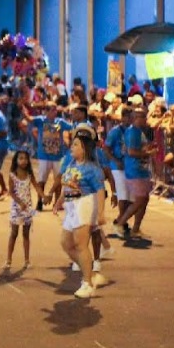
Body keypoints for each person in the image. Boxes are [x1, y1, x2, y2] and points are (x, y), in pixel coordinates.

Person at [54, 125, 107, 298]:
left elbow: (100, 191)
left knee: (81, 244)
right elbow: (66, 184)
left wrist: (100, 214)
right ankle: (89, 273)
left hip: (84, 204)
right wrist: (59, 201)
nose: (72, 147)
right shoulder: (71, 163)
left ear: (85, 148)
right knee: (65, 243)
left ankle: (87, 283)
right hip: (70, 206)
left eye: (76, 144)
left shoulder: (92, 169)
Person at [112, 108, 155, 240]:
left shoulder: (138, 132)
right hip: (134, 170)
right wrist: (147, 153)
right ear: (137, 118)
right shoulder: (132, 133)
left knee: (144, 199)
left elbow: (138, 149)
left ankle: (136, 228)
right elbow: (131, 152)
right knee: (140, 199)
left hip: (141, 170)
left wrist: (147, 150)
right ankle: (120, 223)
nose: (146, 120)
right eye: (143, 117)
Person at [5, 150, 43, 270]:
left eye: (25, 158)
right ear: (16, 160)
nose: (24, 161)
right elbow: (11, 191)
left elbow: (36, 186)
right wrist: (19, 202)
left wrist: (43, 195)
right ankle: (8, 260)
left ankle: (27, 260)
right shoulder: (12, 174)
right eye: (21, 158)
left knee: (26, 234)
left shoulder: (29, 174)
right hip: (16, 209)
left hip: (27, 209)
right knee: (14, 234)